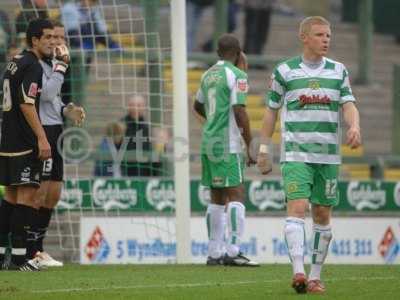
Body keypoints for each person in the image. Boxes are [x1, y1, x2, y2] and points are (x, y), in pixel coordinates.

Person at [256, 16, 362, 293]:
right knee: (298, 207)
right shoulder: (285, 71)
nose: (326, 39)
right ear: (304, 37)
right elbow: (270, 112)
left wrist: (354, 126)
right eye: (319, 35)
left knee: (322, 213)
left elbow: (349, 104)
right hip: (296, 153)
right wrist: (264, 149)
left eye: (328, 35)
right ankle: (299, 272)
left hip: (328, 156)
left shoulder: (338, 71)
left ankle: (315, 276)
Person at [193, 34, 258, 266]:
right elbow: (240, 111)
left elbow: (197, 104)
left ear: (218, 53)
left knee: (217, 197)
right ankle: (232, 252)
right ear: (240, 52)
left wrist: (212, 118)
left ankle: (214, 253)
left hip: (209, 141)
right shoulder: (237, 75)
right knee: (236, 193)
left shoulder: (208, 74)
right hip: (227, 142)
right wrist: (250, 145)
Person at [28, 20, 85, 268]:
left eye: (60, 38)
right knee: (37, 194)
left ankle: (37, 249)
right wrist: (61, 67)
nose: (57, 42)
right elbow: (46, 95)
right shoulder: (38, 65)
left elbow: (54, 101)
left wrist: (67, 110)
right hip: (41, 131)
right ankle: (30, 251)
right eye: (53, 37)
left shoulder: (52, 64)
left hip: (55, 130)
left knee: (53, 195)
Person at [0, 18, 54, 271]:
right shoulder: (33, 65)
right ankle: (20, 259)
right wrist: (42, 138)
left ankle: (2, 256)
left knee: (10, 198)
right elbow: (25, 102)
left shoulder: (15, 61)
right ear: (35, 40)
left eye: (55, 38)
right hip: (23, 142)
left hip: (7, 140)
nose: (53, 43)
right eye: (48, 38)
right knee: (27, 197)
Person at [121, 95, 153, 176]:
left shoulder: (146, 127)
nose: (135, 108)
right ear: (128, 107)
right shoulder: (121, 125)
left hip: (145, 171)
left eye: (139, 105)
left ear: (144, 107)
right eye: (133, 105)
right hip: (125, 170)